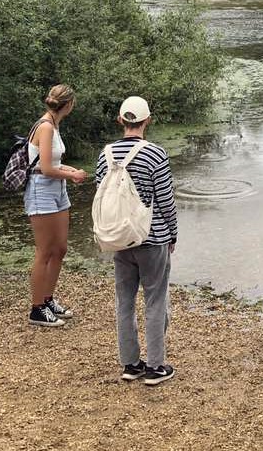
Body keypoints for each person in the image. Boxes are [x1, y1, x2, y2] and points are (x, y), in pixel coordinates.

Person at [94, 96, 179, 386]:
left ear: (121, 120)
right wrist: (172, 233)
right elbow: (166, 199)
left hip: (120, 239)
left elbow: (103, 195)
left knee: (125, 301)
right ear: (147, 121)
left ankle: (130, 364)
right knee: (155, 300)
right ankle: (155, 366)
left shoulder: (105, 154)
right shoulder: (155, 154)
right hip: (152, 238)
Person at [25, 84, 88, 327]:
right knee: (44, 251)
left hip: (57, 189)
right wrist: (71, 175)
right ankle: (36, 309)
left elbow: (52, 163)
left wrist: (71, 171)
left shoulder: (54, 125)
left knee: (60, 248)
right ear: (69, 104)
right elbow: (46, 169)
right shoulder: (46, 126)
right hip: (41, 189)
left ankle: (47, 299)